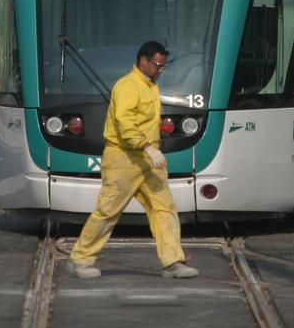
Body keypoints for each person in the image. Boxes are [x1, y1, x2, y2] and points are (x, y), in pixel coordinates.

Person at [66, 41, 199, 279]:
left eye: (163, 67)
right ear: (143, 61)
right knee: (108, 211)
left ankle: (173, 262)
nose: (160, 70)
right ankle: (80, 259)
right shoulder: (127, 86)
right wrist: (147, 146)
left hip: (148, 159)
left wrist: (151, 150)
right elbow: (124, 123)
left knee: (164, 208)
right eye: (157, 65)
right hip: (123, 159)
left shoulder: (149, 85)